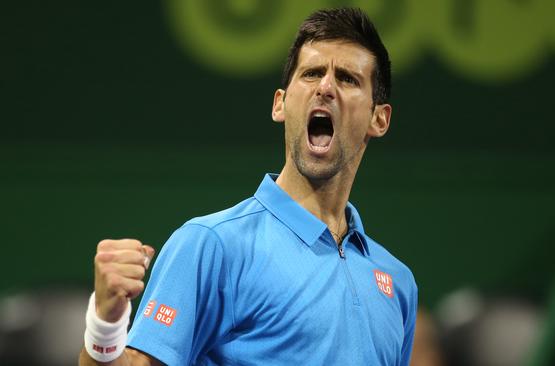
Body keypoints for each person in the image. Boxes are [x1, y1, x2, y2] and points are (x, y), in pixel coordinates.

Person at [79, 7, 417, 366]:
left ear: (378, 119)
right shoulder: (211, 244)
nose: (325, 88)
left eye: (348, 78)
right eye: (312, 73)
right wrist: (106, 324)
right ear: (280, 104)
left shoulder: (398, 284)